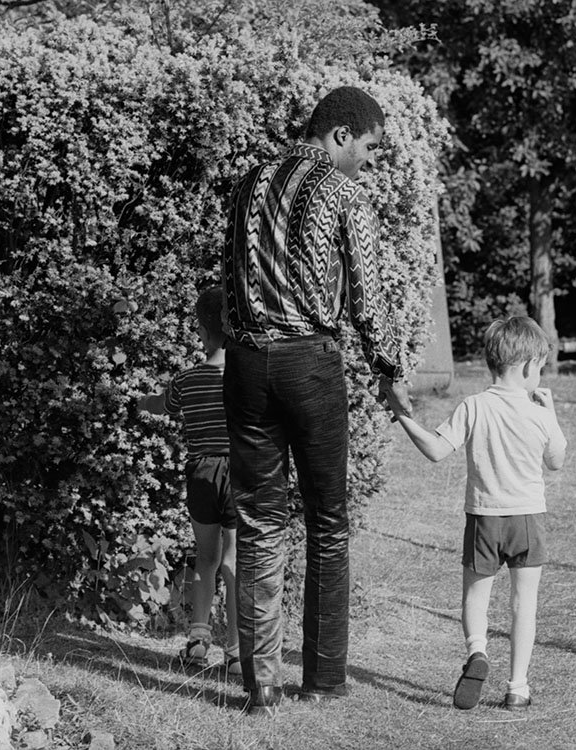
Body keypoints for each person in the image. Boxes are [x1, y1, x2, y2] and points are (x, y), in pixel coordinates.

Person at [221, 85, 410, 714]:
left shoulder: (248, 183)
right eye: (369, 147)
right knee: (327, 523)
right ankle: (325, 678)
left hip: (246, 366)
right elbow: (369, 296)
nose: (368, 161)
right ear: (340, 135)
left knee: (258, 521)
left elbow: (230, 284)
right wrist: (391, 369)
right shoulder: (341, 191)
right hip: (309, 363)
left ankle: (261, 684)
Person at [386, 316, 567, 711]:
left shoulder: (473, 406)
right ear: (526, 367)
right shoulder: (539, 414)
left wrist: (403, 416)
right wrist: (550, 414)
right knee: (525, 603)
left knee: (475, 596)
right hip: (527, 520)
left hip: (484, 517)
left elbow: (435, 450)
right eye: (539, 368)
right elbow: (556, 460)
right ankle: (518, 687)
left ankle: (477, 651)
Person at [137, 286, 241, 677]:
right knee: (234, 559)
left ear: (201, 331)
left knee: (205, 558)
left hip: (201, 474)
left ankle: (198, 642)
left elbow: (162, 405)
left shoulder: (187, 380)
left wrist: (141, 401)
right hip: (238, 473)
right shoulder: (245, 381)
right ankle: (235, 652)